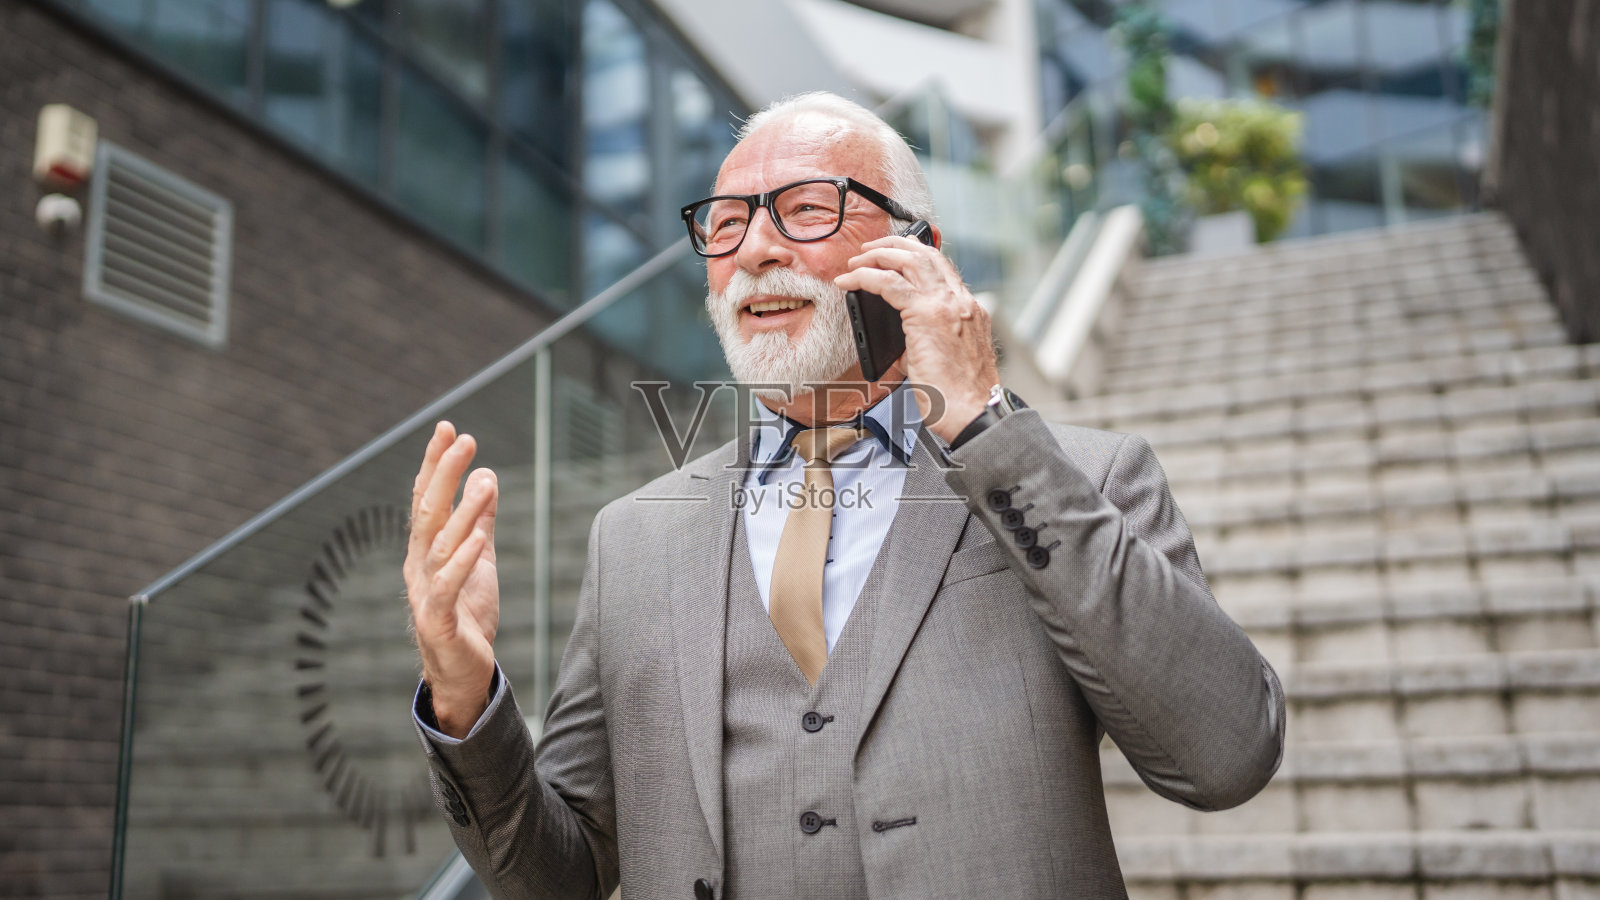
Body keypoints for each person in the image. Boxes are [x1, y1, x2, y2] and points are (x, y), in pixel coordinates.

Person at [404, 92, 1284, 900]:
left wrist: (985, 427)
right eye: (726, 223)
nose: (754, 248)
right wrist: (463, 696)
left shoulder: (1087, 480)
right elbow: (563, 876)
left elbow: (1224, 756)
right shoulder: (631, 541)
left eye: (807, 208)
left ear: (919, 253)